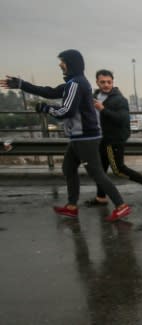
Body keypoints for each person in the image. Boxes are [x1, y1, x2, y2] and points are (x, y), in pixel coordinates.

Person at [0, 49, 131, 221]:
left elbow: (66, 111)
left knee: (97, 173)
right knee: (68, 168)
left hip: (86, 136)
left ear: (71, 63)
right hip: (78, 136)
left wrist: (46, 108)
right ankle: (71, 206)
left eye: (62, 62)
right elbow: (49, 92)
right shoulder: (74, 83)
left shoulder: (76, 83)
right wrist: (21, 84)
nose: (60, 65)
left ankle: (121, 206)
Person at [84, 69, 142, 206]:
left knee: (119, 170)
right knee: (100, 170)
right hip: (101, 139)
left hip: (113, 140)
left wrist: (103, 109)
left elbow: (122, 119)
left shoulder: (119, 100)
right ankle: (101, 197)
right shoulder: (95, 96)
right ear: (97, 82)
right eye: (102, 82)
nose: (106, 85)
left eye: (109, 82)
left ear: (113, 82)